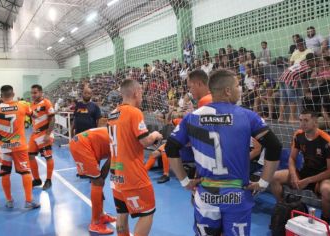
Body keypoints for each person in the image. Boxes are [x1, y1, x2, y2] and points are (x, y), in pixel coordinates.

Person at [165, 69, 281, 236]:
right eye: (237, 85)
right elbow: (274, 146)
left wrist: (184, 181)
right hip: (237, 196)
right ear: (227, 90)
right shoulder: (247, 116)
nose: (239, 89)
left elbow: (171, 147)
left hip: (206, 196)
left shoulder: (191, 118)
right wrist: (263, 183)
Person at [107, 79, 163, 236]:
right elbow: (145, 141)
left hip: (116, 174)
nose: (142, 97)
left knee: (122, 214)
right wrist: (155, 134)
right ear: (136, 92)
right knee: (147, 213)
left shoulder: (112, 114)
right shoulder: (134, 112)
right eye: (141, 94)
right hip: (133, 174)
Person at [271, 110, 330, 225]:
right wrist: (294, 175)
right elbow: (292, 158)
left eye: (306, 120)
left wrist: (308, 180)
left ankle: (325, 221)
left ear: (315, 122)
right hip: (305, 172)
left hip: (322, 176)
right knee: (274, 177)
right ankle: (282, 207)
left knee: (328, 191)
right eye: (300, 120)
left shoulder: (328, 142)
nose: (302, 123)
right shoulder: (298, 135)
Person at [0, 85, 40, 209]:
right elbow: (35, 115)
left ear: (1, 95)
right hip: (20, 146)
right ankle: (29, 201)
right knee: (25, 172)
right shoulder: (23, 105)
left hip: (3, 147)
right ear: (13, 93)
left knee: (5, 174)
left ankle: (9, 201)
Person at [69, 127, 116, 234]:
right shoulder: (121, 141)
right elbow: (111, 164)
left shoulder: (118, 133)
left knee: (98, 183)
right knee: (97, 182)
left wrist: (101, 185)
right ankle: (95, 224)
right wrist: (100, 183)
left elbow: (110, 164)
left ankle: (101, 216)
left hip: (86, 144)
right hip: (82, 145)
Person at [28, 84, 56, 190]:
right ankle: (37, 179)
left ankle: (49, 180)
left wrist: (48, 134)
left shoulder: (46, 103)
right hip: (34, 134)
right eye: (32, 93)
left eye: (35, 92)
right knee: (30, 155)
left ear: (40, 92)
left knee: (48, 157)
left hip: (44, 134)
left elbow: (52, 119)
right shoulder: (31, 105)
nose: (33, 95)